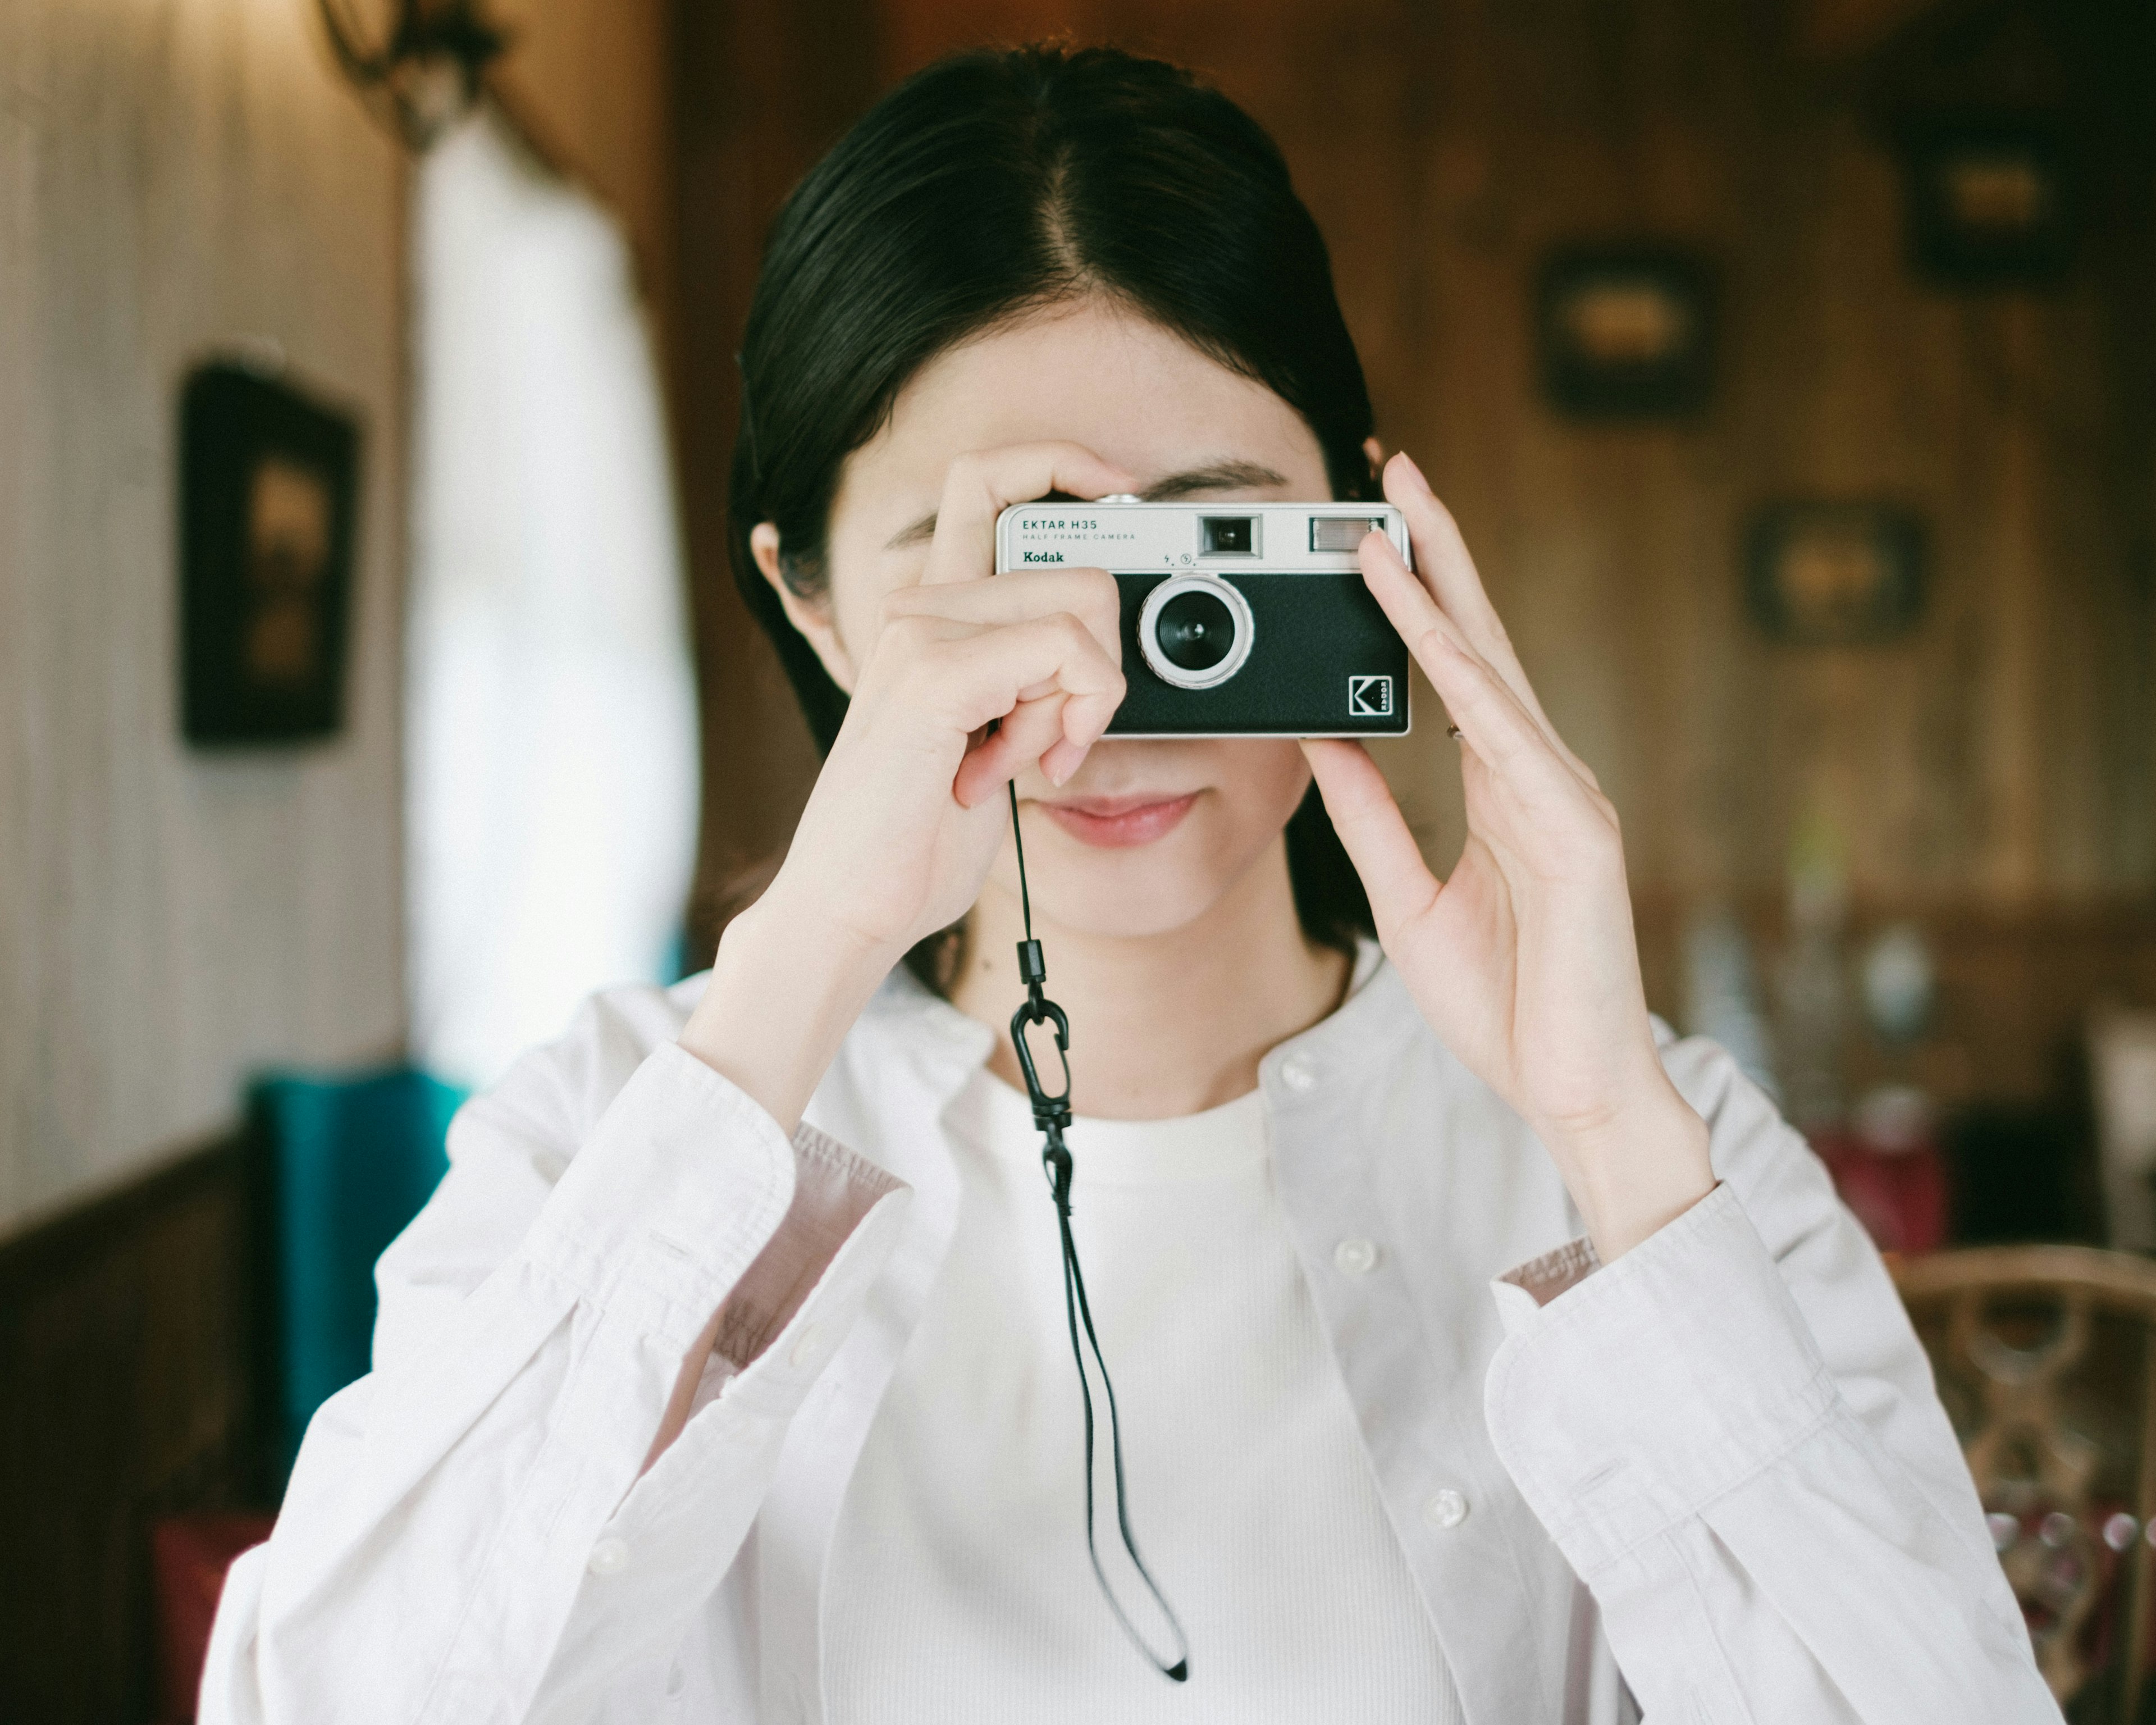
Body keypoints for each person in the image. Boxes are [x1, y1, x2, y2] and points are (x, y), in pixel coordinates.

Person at [202, 43, 2055, 1725]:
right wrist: (806, 963)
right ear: (816, 604)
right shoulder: (601, 1133)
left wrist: (1606, 1131)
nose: (1108, 682)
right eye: (1001, 562)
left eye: (1208, 552)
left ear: (1364, 540)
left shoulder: (1666, 1151)